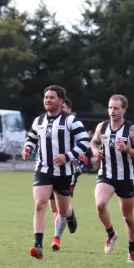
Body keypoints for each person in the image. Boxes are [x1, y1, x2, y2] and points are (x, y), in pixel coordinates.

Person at [23, 86, 90, 259]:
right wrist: (27, 148)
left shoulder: (71, 121)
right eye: (46, 97)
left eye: (52, 97)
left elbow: (84, 143)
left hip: (64, 172)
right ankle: (38, 245)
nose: (47, 100)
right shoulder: (39, 120)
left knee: (62, 210)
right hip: (43, 169)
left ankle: (69, 213)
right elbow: (31, 137)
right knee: (40, 204)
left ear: (61, 101)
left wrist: (67, 156)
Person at [90, 94, 134, 263]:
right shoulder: (102, 127)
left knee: (128, 217)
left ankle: (132, 248)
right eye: (110, 108)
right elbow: (94, 143)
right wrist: (95, 152)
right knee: (100, 204)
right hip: (106, 174)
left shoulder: (131, 130)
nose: (112, 111)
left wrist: (128, 149)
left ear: (124, 110)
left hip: (125, 178)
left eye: (116, 108)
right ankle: (111, 233)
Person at [47, 97, 81, 251]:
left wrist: (77, 154)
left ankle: (56, 238)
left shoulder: (73, 125)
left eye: (64, 107)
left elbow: (82, 144)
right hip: (49, 171)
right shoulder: (51, 124)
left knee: (60, 206)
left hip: (69, 171)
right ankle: (70, 213)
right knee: (53, 207)